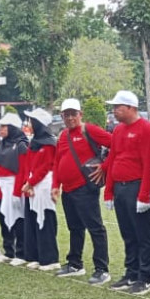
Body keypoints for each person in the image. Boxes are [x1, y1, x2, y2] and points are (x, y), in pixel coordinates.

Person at [97, 90, 150, 293]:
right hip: (122, 187)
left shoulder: (146, 129)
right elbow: (113, 158)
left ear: (131, 108)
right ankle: (131, 272)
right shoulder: (119, 130)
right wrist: (109, 192)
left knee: (143, 233)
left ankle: (145, 277)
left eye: (118, 107)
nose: (114, 111)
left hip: (138, 185)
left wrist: (144, 194)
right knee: (128, 233)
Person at [52, 98, 113, 281]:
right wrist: (56, 185)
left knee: (95, 228)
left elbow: (116, 144)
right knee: (75, 228)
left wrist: (104, 166)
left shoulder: (89, 130)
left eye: (73, 114)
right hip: (69, 190)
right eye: (66, 114)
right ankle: (75, 263)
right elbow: (57, 161)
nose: (70, 118)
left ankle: (102, 269)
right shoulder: (63, 135)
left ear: (80, 114)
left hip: (85, 188)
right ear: (62, 116)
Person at [20, 109, 60, 271]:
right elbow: (29, 164)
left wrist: (30, 183)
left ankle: (50, 258)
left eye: (32, 121)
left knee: (45, 220)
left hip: (44, 185)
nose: (30, 124)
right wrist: (28, 183)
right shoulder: (34, 142)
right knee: (33, 220)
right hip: (33, 184)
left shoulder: (49, 143)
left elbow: (45, 167)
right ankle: (36, 255)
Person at [0, 113, 28, 265]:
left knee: (18, 219)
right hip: (1, 186)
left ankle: (21, 252)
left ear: (12, 127)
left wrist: (17, 191)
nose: (0, 129)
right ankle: (8, 250)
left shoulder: (21, 144)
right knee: (4, 218)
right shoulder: (1, 144)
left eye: (4, 126)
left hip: (14, 186)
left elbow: (23, 169)